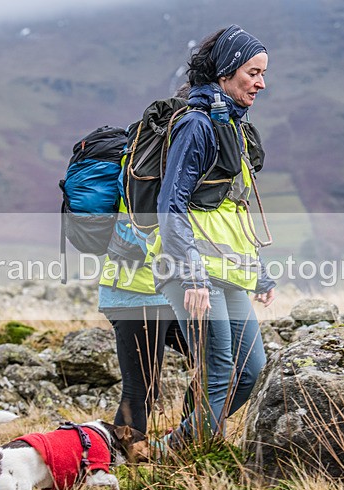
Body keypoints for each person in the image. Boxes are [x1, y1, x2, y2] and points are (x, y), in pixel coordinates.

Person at [153, 24, 276, 446]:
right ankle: (189, 458)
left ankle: (178, 444)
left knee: (251, 368)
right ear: (226, 70)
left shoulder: (233, 127)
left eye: (262, 73)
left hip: (227, 271)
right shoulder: (197, 126)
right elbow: (171, 205)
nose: (261, 83)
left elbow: (234, 209)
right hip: (192, 273)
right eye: (252, 72)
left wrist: (258, 271)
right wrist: (193, 276)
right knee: (221, 369)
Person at [97, 83, 195, 435]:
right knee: (141, 392)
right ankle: (123, 471)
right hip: (135, 290)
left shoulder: (179, 159)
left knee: (215, 365)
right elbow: (147, 229)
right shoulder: (147, 161)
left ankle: (189, 440)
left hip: (171, 289)